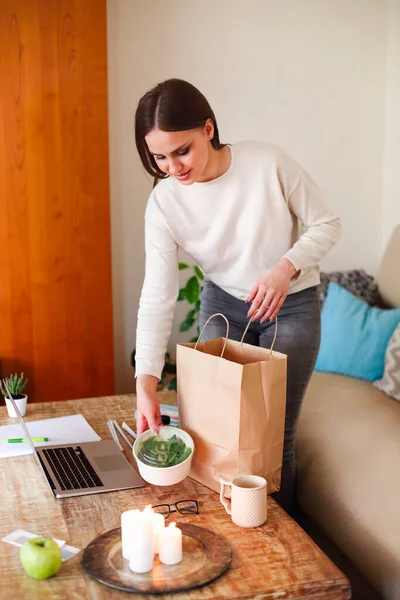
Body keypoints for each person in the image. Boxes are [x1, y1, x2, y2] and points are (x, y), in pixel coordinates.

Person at [134, 78, 341, 514]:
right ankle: (229, 528)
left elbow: (327, 223)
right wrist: (146, 383)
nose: (173, 167)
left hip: (293, 303)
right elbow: (158, 294)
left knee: (274, 434)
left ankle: (287, 544)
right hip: (225, 302)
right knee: (213, 427)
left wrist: (286, 267)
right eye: (160, 157)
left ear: (208, 128)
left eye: (182, 150)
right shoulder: (164, 204)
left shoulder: (268, 163)